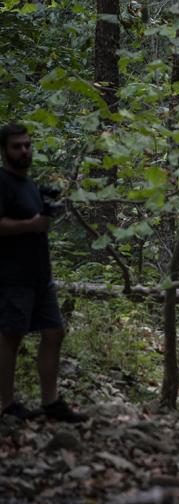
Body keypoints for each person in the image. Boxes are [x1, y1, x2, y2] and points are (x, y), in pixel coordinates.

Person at [0, 123, 85, 423]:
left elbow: (39, 223)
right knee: (11, 337)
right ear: (4, 150)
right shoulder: (3, 182)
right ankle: (5, 404)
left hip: (40, 277)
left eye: (27, 145)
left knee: (54, 332)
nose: (24, 150)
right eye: (16, 146)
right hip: (12, 276)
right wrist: (31, 225)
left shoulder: (28, 184)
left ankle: (51, 403)